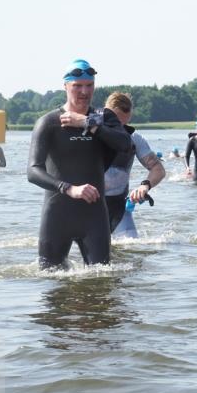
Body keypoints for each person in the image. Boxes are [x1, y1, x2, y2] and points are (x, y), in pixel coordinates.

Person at [27, 59, 132, 269]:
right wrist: (69, 188)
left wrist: (86, 123)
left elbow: (125, 144)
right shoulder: (49, 122)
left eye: (89, 85)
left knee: (100, 285)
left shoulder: (104, 117)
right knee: (51, 284)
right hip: (57, 215)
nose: (84, 91)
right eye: (77, 86)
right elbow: (32, 171)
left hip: (94, 217)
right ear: (65, 86)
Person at [102, 92, 166, 234]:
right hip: (88, 208)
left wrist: (145, 186)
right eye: (115, 124)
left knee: (132, 252)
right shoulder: (88, 134)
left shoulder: (134, 139)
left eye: (124, 125)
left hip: (119, 208)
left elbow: (158, 169)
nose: (119, 131)